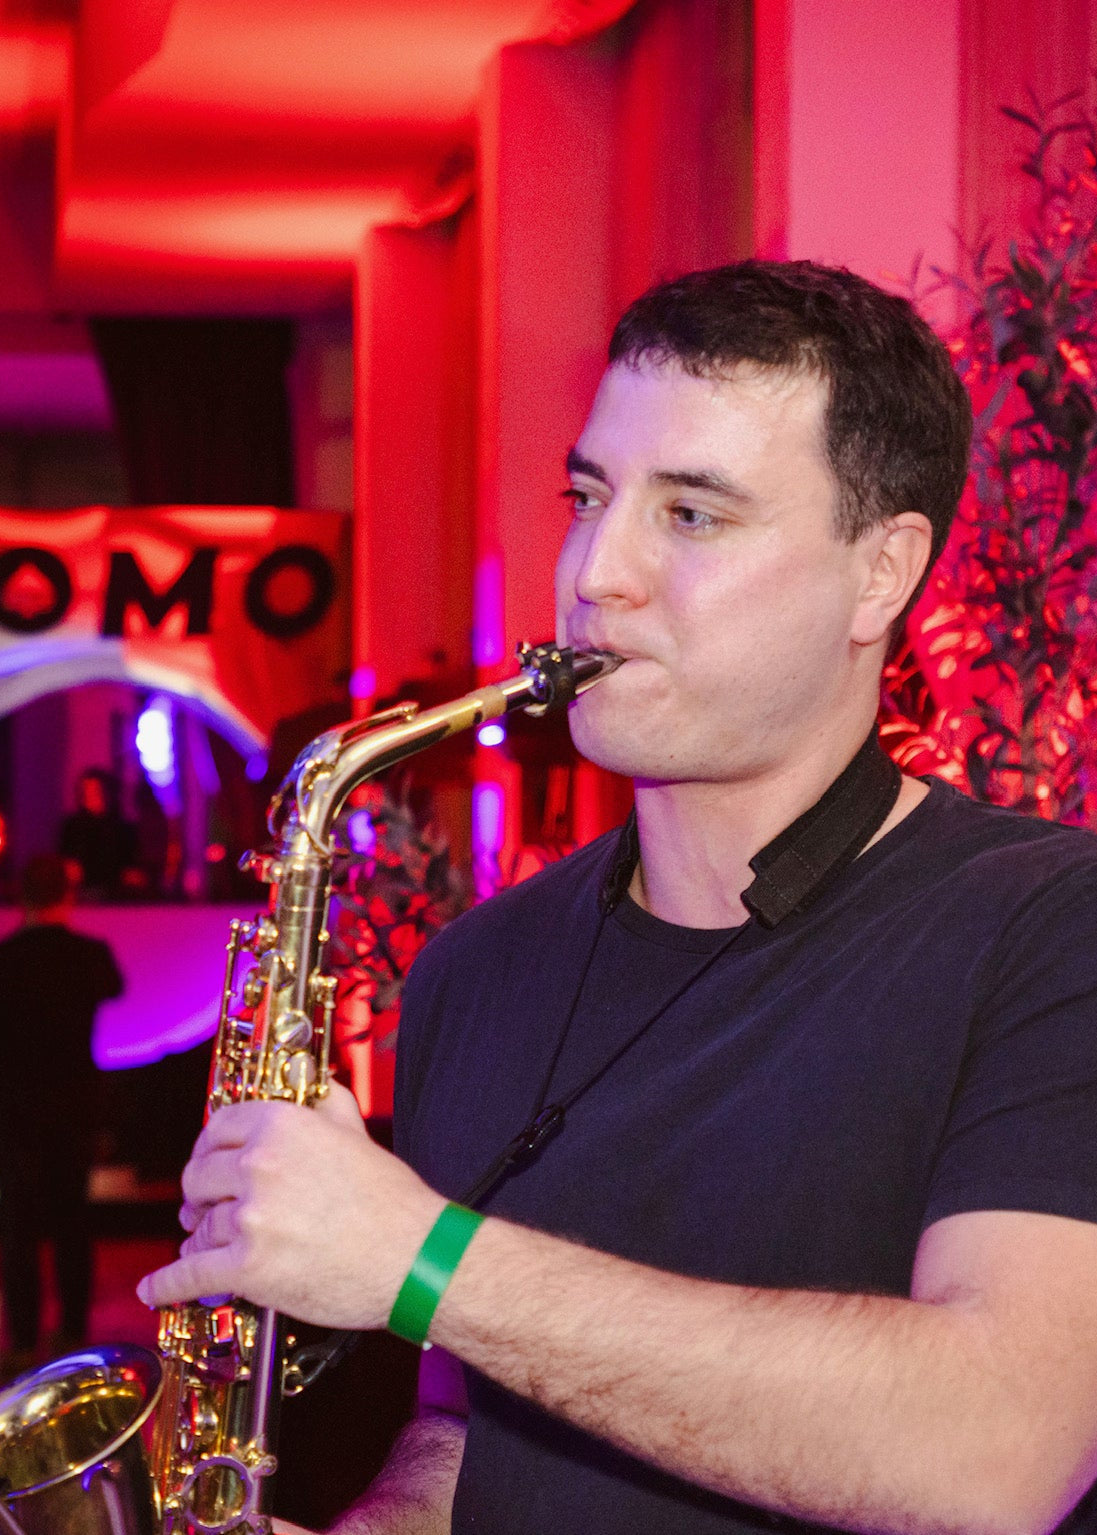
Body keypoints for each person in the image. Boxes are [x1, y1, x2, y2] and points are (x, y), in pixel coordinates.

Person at [139, 262, 1097, 1535]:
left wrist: (419, 1259)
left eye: (690, 514)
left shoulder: (1047, 927)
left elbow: (994, 1452)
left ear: (881, 572)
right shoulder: (475, 969)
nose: (595, 571)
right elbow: (466, 1429)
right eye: (588, 497)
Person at [0, 854, 123, 1376]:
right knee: (73, 1219)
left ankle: (22, 1342)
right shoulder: (90, 956)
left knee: (17, 1227)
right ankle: (73, 1333)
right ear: (68, 896)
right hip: (75, 1105)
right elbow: (114, 989)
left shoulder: (6, 959)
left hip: (15, 1106)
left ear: (22, 895)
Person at [58, 766, 144, 901]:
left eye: (95, 791)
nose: (90, 796)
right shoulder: (72, 826)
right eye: (86, 791)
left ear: (106, 792)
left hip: (117, 894)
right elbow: (67, 860)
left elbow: (131, 864)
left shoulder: (122, 827)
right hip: (81, 893)